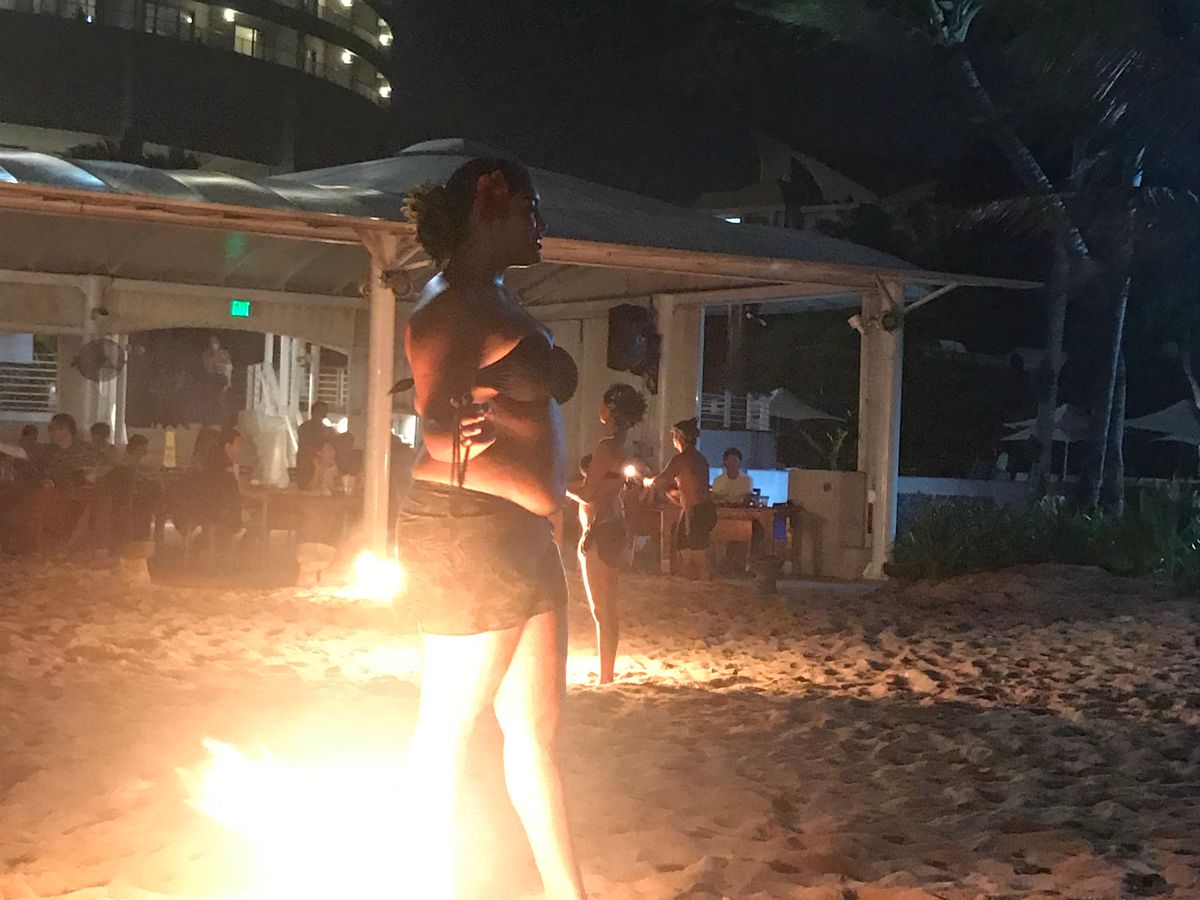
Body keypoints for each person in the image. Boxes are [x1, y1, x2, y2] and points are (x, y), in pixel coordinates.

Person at [394, 157, 585, 899]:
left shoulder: (492, 296)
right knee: (447, 725)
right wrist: (454, 429)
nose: (541, 226)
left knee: (536, 736)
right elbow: (435, 412)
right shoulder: (446, 304)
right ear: (489, 205)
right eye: (531, 210)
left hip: (521, 535)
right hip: (466, 528)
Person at [567, 383, 647, 685]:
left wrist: (559, 488)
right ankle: (606, 673)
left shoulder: (606, 446)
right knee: (608, 608)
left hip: (599, 529)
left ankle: (606, 676)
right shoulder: (624, 447)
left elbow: (587, 494)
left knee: (601, 610)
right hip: (614, 525)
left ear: (610, 409)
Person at [645, 418, 716, 581]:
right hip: (694, 510)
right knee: (684, 546)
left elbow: (660, 481)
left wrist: (647, 481)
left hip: (697, 511)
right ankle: (692, 582)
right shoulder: (699, 458)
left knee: (698, 551)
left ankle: (705, 582)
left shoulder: (682, 458)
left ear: (679, 437)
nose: (673, 440)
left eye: (674, 436)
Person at [296, 401, 334, 479]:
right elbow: (303, 447)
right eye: (320, 412)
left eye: (324, 412)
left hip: (324, 459)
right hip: (309, 459)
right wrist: (318, 453)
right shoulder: (304, 428)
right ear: (313, 413)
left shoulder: (328, 430)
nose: (322, 415)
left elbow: (332, 446)